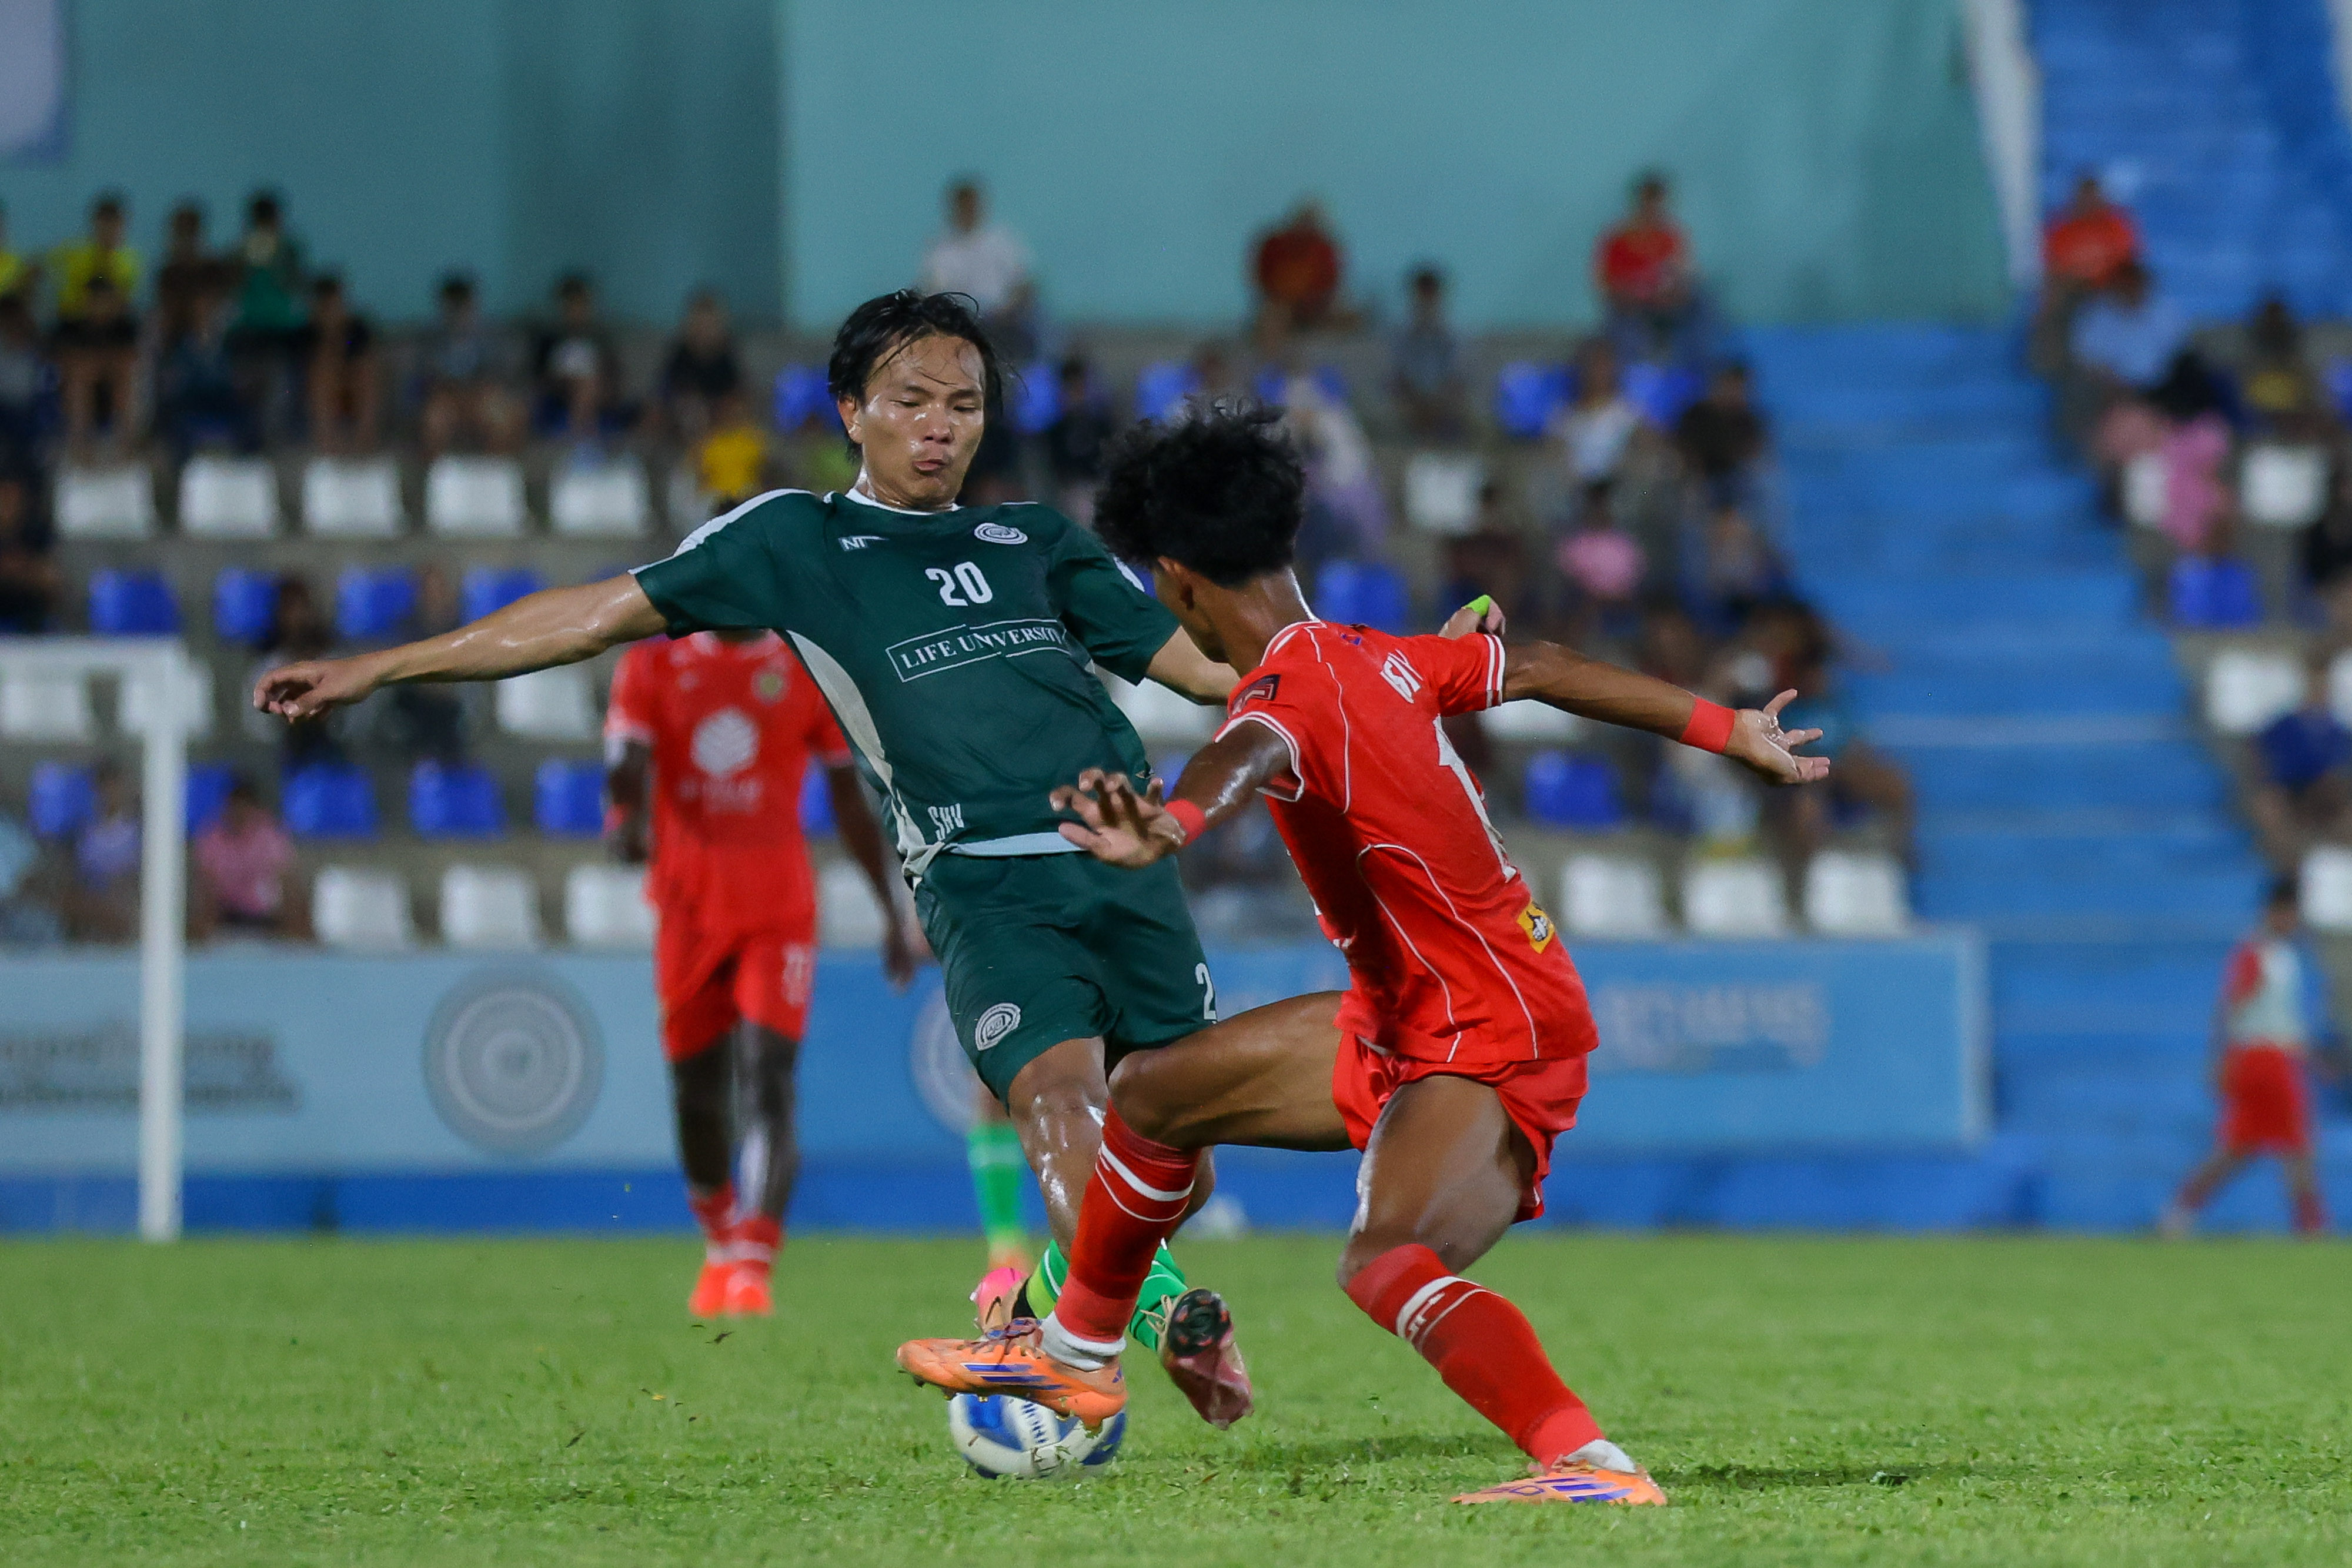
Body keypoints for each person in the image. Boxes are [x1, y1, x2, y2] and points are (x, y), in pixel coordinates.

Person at [250, 289, 1252, 1423]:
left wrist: (1355, 665)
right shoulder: (796, 540)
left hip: (1127, 860)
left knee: (1181, 1161)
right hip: (984, 877)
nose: (940, 425)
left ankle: (1039, 1309)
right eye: (911, 400)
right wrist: (381, 666)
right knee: (1059, 1097)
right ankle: (1149, 1321)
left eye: (965, 404)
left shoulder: (1040, 541)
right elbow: (592, 616)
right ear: (851, 411)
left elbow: (1208, 672)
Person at [892, 404, 1828, 1503]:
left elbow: (1248, 751)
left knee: (1385, 1261)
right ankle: (1077, 1355)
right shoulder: (1377, 654)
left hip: (1487, 1025)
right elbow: (1542, 665)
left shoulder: (1284, 693)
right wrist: (1729, 728)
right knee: (1150, 1093)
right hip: (1410, 1009)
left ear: (1178, 584)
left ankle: (1589, 1463)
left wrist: (1171, 824)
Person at [605, 621, 917, 1316]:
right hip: (687, 908)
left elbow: (847, 797)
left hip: (778, 911)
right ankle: (720, 1238)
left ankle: (754, 1260)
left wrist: (890, 912)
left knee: (768, 1076)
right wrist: (624, 814)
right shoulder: (651, 667)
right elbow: (626, 759)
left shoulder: (803, 670)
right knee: (696, 1092)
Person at [2161, 878, 2331, 1237]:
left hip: (2273, 1057)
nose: (2295, 921)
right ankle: (2311, 1226)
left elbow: (2281, 1019)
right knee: (2295, 1145)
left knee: (2241, 1148)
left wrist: (2311, 1057)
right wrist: (2220, 1058)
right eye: (2291, 913)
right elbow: (2231, 1007)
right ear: (2277, 911)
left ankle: (2180, 1210)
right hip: (2262, 1060)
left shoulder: (2281, 955)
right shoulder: (2258, 952)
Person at [2246, 659, 2352, 864]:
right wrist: (2270, 782)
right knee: (2268, 808)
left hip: (2326, 791)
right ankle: (2287, 865)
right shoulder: (2283, 724)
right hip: (2288, 789)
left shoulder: (2339, 730)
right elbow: (2260, 753)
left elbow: (2341, 766)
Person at [1595, 173, 1708, 366]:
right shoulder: (1618, 239)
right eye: (1648, 203)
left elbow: (1684, 277)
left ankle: (1697, 365)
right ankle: (1633, 370)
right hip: (1631, 310)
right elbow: (1606, 284)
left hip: (1666, 307)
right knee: (1626, 325)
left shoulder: (1671, 238)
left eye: (1657, 204)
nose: (1652, 210)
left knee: (1702, 302)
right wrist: (1634, 295)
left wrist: (1672, 294)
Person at [920, 180, 1037, 360]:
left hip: (1002, 321)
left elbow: (1025, 284)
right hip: (960, 324)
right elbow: (933, 292)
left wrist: (1008, 310)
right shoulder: (941, 249)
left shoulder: (1001, 241)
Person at [191, 775, 309, 942]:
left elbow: (289, 883)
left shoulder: (270, 835)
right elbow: (205, 887)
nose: (239, 813)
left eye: (244, 807)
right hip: (226, 919)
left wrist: (299, 926)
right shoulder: (212, 837)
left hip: (267, 919)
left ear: (253, 808)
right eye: (235, 806)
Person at [417, 273, 523, 459]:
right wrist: (456, 395)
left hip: (483, 398)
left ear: (472, 305)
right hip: (449, 400)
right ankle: (437, 473)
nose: (457, 312)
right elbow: (429, 380)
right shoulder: (432, 338)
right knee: (434, 418)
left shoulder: (493, 336)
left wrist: (477, 395)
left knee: (504, 415)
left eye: (462, 305)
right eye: (452, 306)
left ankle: (493, 469)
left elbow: (501, 378)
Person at [532, 272, 630, 446]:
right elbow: (538, 379)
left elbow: (614, 377)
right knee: (583, 387)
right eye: (571, 306)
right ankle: (582, 442)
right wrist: (567, 382)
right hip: (559, 395)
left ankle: (582, 441)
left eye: (581, 305)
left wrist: (598, 387)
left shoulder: (601, 339)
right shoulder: (549, 340)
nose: (576, 312)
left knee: (588, 387)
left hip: (598, 394)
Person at [297, 274, 378, 454]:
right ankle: (328, 445)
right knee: (321, 374)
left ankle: (364, 443)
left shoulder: (356, 330)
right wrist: (328, 335)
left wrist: (339, 336)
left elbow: (359, 356)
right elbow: (313, 364)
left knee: (366, 372)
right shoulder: (307, 334)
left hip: (353, 390)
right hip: (322, 395)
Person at [1251, 200, 1347, 345]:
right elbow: (1262, 277)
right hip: (1282, 304)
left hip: (1318, 306)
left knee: (1346, 318)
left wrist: (1315, 301)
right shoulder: (1275, 247)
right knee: (1272, 319)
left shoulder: (1323, 249)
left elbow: (1332, 281)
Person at [1673, 362, 1769, 509]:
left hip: (1732, 481)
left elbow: (1754, 456)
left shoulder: (1747, 422)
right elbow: (1683, 450)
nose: (1734, 394)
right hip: (1696, 479)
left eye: (1739, 389)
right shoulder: (1697, 416)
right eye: (1731, 387)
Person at [1390, 266, 1465, 442]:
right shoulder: (1401, 333)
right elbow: (1398, 372)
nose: (1426, 301)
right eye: (1422, 295)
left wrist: (1439, 401)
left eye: (1430, 295)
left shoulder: (1452, 334)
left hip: (1444, 404)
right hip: (1411, 403)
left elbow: (1457, 374)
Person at [660, 288, 743, 442]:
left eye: (710, 325)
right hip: (684, 416)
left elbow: (736, 391)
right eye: (700, 324)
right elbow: (669, 390)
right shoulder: (680, 355)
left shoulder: (726, 358)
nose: (705, 331)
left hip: (718, 416)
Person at [1041, 356, 1114, 521]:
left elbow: (1108, 460)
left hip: (1097, 485)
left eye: (1080, 388)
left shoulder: (1102, 426)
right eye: (1072, 389)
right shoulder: (1056, 431)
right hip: (1069, 489)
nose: (1077, 395)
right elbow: (1055, 466)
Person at [2042, 172, 2140, 291]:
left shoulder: (2115, 224)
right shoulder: (2062, 228)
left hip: (2111, 284)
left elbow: (2128, 257)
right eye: (2085, 198)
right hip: (2075, 286)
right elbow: (2054, 264)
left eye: (2093, 197)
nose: (2089, 202)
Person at [0, 467, 58, 632]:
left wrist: (23, 571)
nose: (8, 505)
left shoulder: (36, 532)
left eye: (13, 498)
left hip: (27, 619)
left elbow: (51, 580)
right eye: (4, 497)